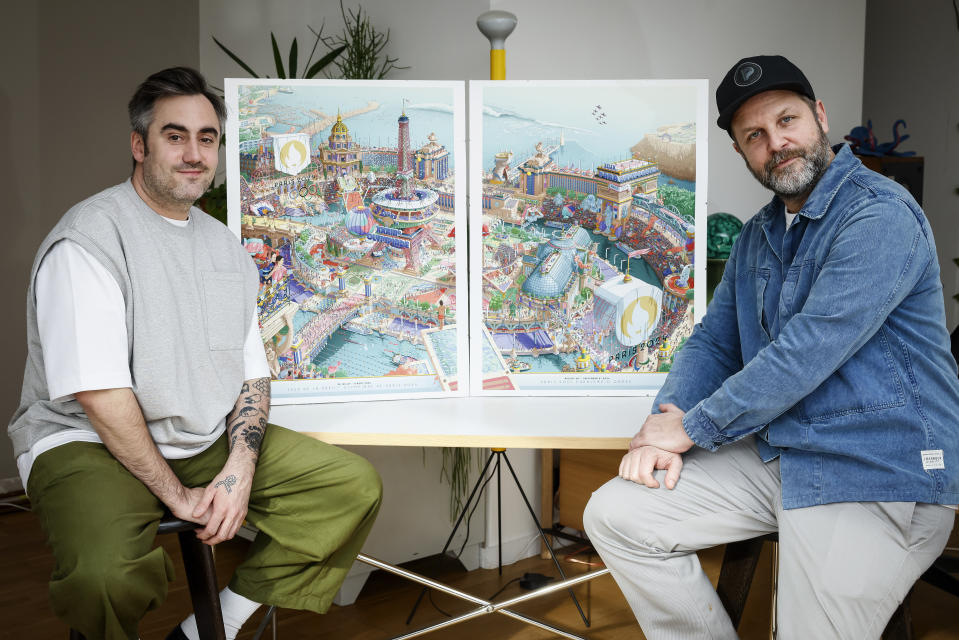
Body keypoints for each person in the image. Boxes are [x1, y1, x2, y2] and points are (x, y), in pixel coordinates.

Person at [584, 55, 959, 639]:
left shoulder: (880, 215)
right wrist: (670, 415)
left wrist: (693, 429)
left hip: (879, 470)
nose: (776, 143)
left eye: (787, 121)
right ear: (741, 152)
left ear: (820, 117)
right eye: (754, 135)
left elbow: (804, 353)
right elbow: (714, 341)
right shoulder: (759, 233)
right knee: (617, 515)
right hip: (784, 455)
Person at [8, 67, 382, 640]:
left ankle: (213, 627)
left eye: (206, 138)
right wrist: (178, 495)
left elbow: (252, 377)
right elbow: (101, 397)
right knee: (104, 578)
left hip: (196, 437)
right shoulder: (89, 239)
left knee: (350, 489)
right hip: (86, 442)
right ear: (139, 145)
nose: (193, 154)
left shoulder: (226, 248)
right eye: (174, 135)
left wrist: (239, 467)